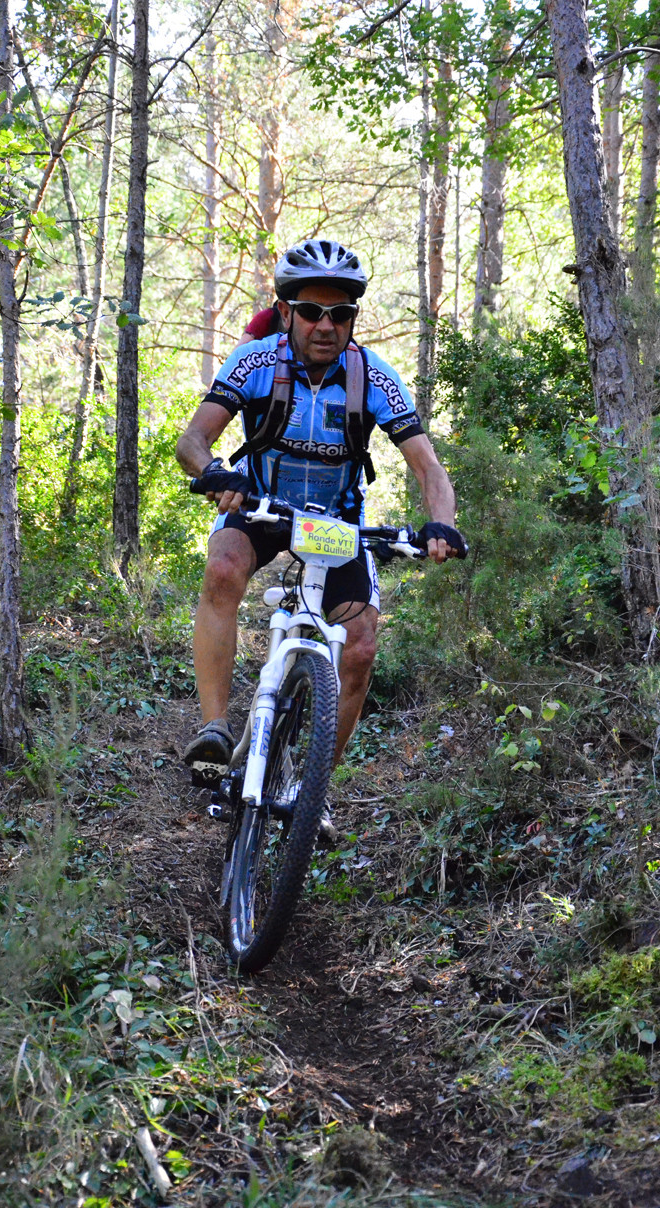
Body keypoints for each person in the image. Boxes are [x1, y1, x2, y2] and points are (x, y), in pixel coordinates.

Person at [176, 238, 466, 806]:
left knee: (358, 646)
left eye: (341, 313)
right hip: (261, 506)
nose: (326, 325)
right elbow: (193, 439)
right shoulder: (257, 363)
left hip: (338, 522)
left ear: (354, 318)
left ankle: (312, 792)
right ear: (286, 313)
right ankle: (214, 727)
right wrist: (215, 472)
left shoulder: (373, 377)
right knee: (224, 568)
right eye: (312, 311)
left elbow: (428, 465)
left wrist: (443, 523)